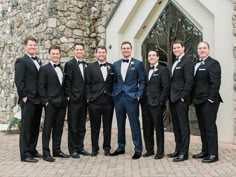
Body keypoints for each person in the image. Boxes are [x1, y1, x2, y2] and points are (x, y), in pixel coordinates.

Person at [110, 41, 145, 159]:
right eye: (123, 48)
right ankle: (121, 147)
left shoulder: (138, 64)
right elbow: (114, 80)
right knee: (120, 124)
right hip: (119, 98)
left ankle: (138, 149)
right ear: (121, 50)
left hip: (132, 98)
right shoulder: (115, 64)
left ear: (131, 49)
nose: (125, 50)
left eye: (127, 48)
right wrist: (114, 93)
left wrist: (138, 94)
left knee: (134, 124)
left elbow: (142, 81)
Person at [192, 41, 222, 163]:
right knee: (202, 127)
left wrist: (210, 99)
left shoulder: (213, 63)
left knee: (210, 127)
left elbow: (215, 83)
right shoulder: (196, 64)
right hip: (198, 101)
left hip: (209, 101)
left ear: (208, 50)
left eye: (204, 48)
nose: (202, 50)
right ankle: (205, 151)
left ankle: (213, 154)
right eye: (200, 48)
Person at [39, 45, 70, 162]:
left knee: (59, 128)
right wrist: (45, 101)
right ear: (49, 55)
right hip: (50, 103)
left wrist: (66, 98)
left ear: (60, 54)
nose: (55, 55)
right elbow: (41, 86)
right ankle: (46, 153)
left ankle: (57, 150)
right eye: (53, 53)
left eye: (57, 53)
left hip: (62, 103)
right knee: (47, 129)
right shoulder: (44, 68)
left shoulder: (61, 68)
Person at [15, 36, 43, 163]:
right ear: (25, 46)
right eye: (30, 45)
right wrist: (24, 96)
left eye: (34, 45)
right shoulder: (21, 61)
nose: (32, 47)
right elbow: (19, 80)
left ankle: (32, 149)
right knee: (26, 127)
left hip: (38, 99)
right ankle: (25, 154)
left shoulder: (38, 60)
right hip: (28, 99)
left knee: (35, 126)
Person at [140, 50, 170, 159]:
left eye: (153, 55)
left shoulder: (163, 70)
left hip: (156, 104)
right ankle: (149, 150)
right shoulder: (145, 70)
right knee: (147, 128)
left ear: (157, 57)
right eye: (149, 55)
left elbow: (166, 87)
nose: (151, 57)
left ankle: (160, 152)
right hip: (145, 103)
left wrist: (161, 101)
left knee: (158, 129)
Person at [168, 40, 194, 162]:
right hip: (173, 99)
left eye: (178, 47)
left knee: (183, 126)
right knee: (176, 126)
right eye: (174, 48)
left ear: (183, 48)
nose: (176, 50)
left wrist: (184, 96)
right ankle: (178, 150)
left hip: (181, 99)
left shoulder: (187, 61)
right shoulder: (176, 61)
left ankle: (184, 153)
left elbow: (189, 81)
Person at [85, 46, 114, 157]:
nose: (101, 54)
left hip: (108, 102)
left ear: (106, 53)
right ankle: (94, 148)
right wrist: (89, 98)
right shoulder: (90, 67)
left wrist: (113, 96)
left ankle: (107, 148)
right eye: (99, 52)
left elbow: (114, 83)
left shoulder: (111, 67)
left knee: (107, 126)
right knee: (95, 127)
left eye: (103, 52)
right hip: (94, 102)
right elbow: (87, 84)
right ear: (96, 54)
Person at [64, 43, 90, 158]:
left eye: (81, 49)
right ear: (74, 51)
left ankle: (80, 147)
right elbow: (67, 81)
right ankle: (72, 149)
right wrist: (69, 96)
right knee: (72, 125)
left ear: (83, 51)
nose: (79, 51)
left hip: (84, 100)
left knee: (81, 125)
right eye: (77, 49)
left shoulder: (86, 65)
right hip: (74, 100)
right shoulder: (70, 64)